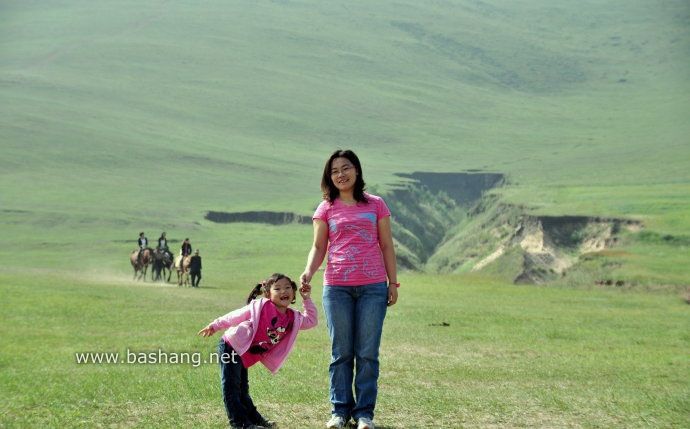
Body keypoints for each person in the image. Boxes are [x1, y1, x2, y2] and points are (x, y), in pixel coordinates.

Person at [300, 149, 398, 429]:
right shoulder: (326, 208)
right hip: (337, 288)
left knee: (367, 352)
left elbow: (387, 245)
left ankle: (364, 413)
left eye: (345, 168)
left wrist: (393, 283)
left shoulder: (376, 204)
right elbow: (319, 247)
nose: (340, 174)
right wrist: (308, 271)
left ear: (357, 170)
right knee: (341, 352)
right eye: (334, 171)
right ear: (329, 177)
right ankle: (339, 411)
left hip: (373, 288)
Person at [198, 274, 318, 429]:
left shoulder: (292, 317)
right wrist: (215, 325)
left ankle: (254, 420)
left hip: (245, 354)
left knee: (242, 389)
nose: (284, 291)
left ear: (294, 292)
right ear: (268, 293)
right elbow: (236, 316)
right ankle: (240, 424)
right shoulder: (261, 307)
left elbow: (312, 321)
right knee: (231, 387)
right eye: (278, 288)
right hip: (231, 346)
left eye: (288, 287)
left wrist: (307, 299)